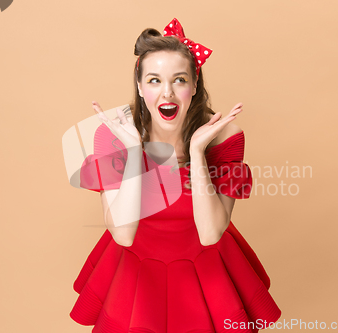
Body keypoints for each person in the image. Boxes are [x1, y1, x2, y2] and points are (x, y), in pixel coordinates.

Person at [70, 18, 281, 332]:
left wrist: (196, 154)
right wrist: (131, 153)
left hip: (207, 270)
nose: (166, 93)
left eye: (179, 80)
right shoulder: (113, 136)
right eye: (154, 80)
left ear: (194, 85)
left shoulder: (225, 136)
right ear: (140, 87)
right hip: (135, 271)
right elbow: (124, 235)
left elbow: (210, 233)